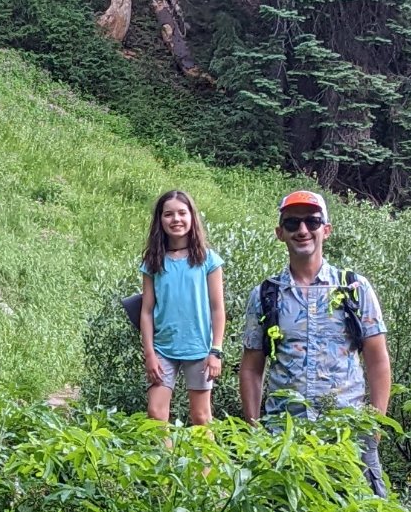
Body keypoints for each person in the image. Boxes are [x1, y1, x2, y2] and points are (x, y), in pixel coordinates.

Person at [237, 185, 393, 490]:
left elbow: (378, 361)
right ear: (280, 233)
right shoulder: (266, 294)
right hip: (283, 438)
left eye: (312, 221)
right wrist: (254, 429)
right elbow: (252, 367)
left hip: (348, 435)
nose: (303, 230)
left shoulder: (354, 288)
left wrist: (374, 428)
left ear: (326, 230)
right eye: (292, 223)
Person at [138, 188, 225, 428]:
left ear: (191, 217)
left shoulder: (208, 259)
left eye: (182, 213)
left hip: (199, 348)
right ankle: (165, 455)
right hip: (163, 349)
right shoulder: (153, 261)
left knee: (201, 417)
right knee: (156, 414)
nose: (176, 219)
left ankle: (205, 456)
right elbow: (146, 311)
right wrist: (149, 354)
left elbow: (218, 308)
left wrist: (216, 351)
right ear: (160, 220)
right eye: (168, 214)